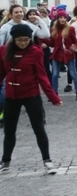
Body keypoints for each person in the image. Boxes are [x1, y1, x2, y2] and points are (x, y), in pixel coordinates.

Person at [0, 24, 62, 174]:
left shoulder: (36, 51)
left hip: (31, 95)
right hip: (11, 96)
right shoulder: (3, 51)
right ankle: (5, 161)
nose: (23, 43)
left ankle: (47, 160)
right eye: (20, 40)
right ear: (13, 39)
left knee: (39, 129)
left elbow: (42, 76)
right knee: (9, 131)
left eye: (26, 40)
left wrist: (53, 97)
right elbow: (1, 72)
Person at [42, 10, 77, 100]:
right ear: (57, 19)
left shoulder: (70, 29)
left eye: (64, 17)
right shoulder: (53, 29)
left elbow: (74, 40)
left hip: (68, 54)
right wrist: (42, 40)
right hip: (57, 54)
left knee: (73, 73)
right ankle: (54, 93)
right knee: (55, 74)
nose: (62, 19)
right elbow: (52, 43)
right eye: (60, 17)